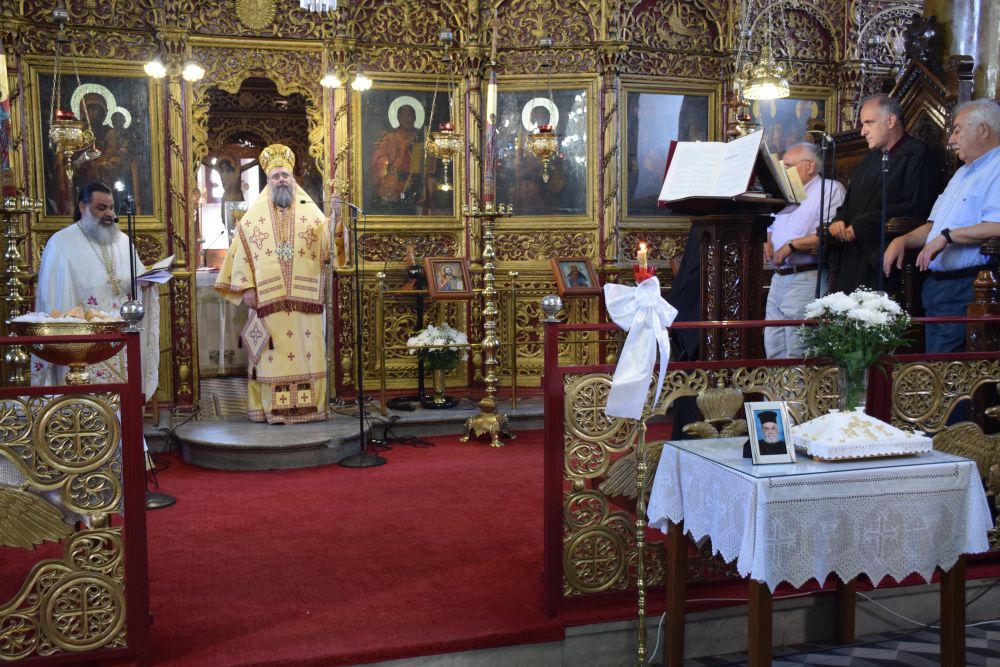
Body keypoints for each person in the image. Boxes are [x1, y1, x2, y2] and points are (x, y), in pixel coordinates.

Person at [215, 144, 330, 424]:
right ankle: (269, 409)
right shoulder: (251, 219)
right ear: (268, 181)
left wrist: (337, 223)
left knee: (306, 354)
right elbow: (241, 252)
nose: (281, 180)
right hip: (268, 303)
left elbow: (329, 245)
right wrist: (247, 288)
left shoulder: (311, 213)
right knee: (269, 358)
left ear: (293, 179)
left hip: (304, 306)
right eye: (275, 176)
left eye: (285, 175)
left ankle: (310, 409)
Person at [882, 99, 1000, 353]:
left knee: (946, 369)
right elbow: (933, 227)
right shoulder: (962, 173)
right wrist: (902, 240)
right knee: (932, 364)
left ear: (983, 130)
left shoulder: (997, 168)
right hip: (936, 287)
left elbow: (996, 227)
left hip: (969, 286)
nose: (951, 140)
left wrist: (948, 236)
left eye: (957, 130)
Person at [32, 181, 161, 395]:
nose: (109, 213)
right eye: (101, 208)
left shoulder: (123, 241)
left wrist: (146, 283)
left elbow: (136, 279)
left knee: (123, 396)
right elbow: (52, 297)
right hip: (83, 343)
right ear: (83, 207)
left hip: (121, 337)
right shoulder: (61, 244)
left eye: (111, 207)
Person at [827, 94, 940, 294]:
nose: (863, 131)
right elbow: (849, 204)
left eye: (869, 123)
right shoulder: (868, 161)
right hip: (852, 255)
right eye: (862, 124)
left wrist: (861, 226)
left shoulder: (918, 155)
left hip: (883, 255)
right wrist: (839, 220)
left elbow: (915, 206)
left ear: (890, 121)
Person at [764, 142, 846, 358]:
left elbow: (830, 232)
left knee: (798, 350)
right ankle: (776, 384)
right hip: (778, 276)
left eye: (788, 165)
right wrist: (768, 241)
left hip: (806, 276)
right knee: (773, 346)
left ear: (810, 166)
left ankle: (799, 384)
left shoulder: (829, 189)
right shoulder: (784, 193)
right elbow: (771, 225)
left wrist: (792, 245)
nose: (783, 171)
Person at [370, 104, 422, 213]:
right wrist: (386, 164)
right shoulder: (391, 138)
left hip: (416, 181)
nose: (407, 119)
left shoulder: (419, 137)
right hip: (396, 182)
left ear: (415, 118)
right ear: (398, 118)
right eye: (404, 116)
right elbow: (379, 158)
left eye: (410, 115)